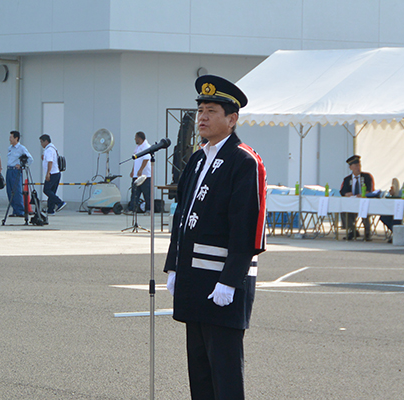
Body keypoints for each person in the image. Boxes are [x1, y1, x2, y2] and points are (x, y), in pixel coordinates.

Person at [164, 75, 267, 400]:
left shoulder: (243, 161)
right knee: (200, 372)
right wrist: (174, 266)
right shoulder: (197, 159)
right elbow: (182, 217)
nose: (203, 118)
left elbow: (247, 226)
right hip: (194, 280)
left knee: (225, 374)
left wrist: (230, 280)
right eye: (200, 111)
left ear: (232, 119)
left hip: (223, 284)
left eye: (211, 110)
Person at [339, 155, 375, 240]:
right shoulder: (347, 179)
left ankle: (367, 232)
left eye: (359, 165)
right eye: (355, 166)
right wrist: (347, 194)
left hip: (363, 202)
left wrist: (364, 194)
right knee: (344, 211)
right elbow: (342, 191)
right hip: (352, 203)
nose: (358, 168)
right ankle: (352, 230)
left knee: (365, 211)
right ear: (351, 167)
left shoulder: (366, 177)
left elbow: (370, 189)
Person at [6, 131, 33, 217]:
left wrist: (22, 166)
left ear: (16, 138)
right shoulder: (10, 148)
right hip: (9, 170)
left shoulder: (21, 148)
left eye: (11, 137)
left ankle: (20, 210)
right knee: (10, 191)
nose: (9, 139)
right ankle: (15, 210)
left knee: (17, 191)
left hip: (15, 171)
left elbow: (30, 159)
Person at [39, 134, 66, 215]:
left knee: (46, 190)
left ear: (46, 141)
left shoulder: (49, 150)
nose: (41, 144)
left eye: (41, 142)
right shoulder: (53, 148)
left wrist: (48, 173)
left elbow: (50, 162)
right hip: (56, 173)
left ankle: (60, 202)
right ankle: (50, 209)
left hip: (52, 173)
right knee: (52, 192)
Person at [128, 131, 151, 214]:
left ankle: (149, 209)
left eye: (136, 137)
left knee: (147, 193)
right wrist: (133, 170)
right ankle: (132, 209)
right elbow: (135, 160)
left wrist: (141, 169)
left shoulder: (146, 147)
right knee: (135, 192)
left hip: (145, 175)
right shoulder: (137, 147)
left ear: (140, 138)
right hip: (136, 174)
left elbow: (146, 159)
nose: (135, 139)